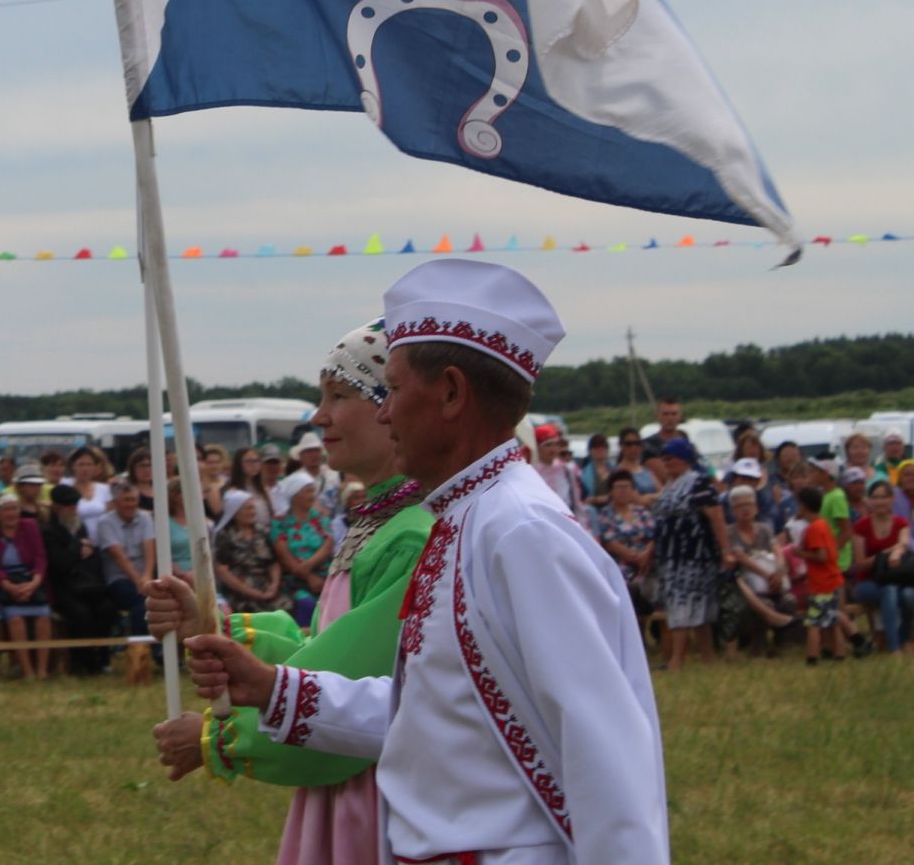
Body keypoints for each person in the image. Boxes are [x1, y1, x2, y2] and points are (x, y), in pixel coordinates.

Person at [179, 259, 667, 862]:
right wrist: (273, 688)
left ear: (453, 393)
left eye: (396, 390)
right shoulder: (469, 517)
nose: (384, 413)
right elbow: (434, 715)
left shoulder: (521, 532)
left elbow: (609, 754)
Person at [151, 318, 437, 865]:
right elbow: (323, 647)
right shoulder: (383, 521)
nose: (318, 416)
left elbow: (359, 687)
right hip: (353, 786)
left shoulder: (411, 535)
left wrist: (219, 737)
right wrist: (210, 630)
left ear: (389, 407)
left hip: (375, 794)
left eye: (339, 396)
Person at [649, 437, 733, 671]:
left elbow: (716, 516)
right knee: (692, 609)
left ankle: (677, 660)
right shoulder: (670, 484)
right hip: (670, 556)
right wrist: (650, 552)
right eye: (664, 458)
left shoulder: (698, 482)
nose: (667, 462)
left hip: (694, 556)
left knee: (688, 607)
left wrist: (726, 551)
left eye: (671, 458)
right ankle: (707, 659)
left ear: (685, 459)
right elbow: (662, 521)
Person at [42, 483, 115, 675]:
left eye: (75, 505)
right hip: (63, 587)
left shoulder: (78, 526)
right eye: (68, 506)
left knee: (106, 608)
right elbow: (59, 564)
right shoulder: (49, 531)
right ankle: (85, 662)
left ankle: (103, 656)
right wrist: (77, 547)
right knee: (81, 614)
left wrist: (78, 549)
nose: (73, 510)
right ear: (57, 507)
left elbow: (88, 553)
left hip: (86, 584)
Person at [716, 486, 796, 656]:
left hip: (771, 580)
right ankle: (757, 645)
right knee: (765, 603)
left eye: (749, 504)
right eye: (740, 506)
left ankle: (780, 644)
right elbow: (740, 557)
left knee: (788, 601)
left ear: (756, 508)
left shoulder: (764, 529)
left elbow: (777, 550)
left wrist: (779, 572)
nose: (745, 509)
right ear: (732, 510)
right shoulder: (729, 533)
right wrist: (767, 575)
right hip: (745, 584)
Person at [0, 496, 50, 681]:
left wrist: (34, 583)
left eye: (14, 509)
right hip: (6, 583)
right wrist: (10, 587)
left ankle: (42, 670)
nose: (11, 514)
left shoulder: (30, 526)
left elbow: (40, 558)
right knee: (16, 619)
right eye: (6, 510)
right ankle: (27, 671)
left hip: (31, 579)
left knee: (43, 617)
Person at [849, 478, 912, 655]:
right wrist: (885, 554)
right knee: (889, 591)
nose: (879, 501)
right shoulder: (861, 526)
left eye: (883, 497)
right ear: (868, 501)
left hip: (897, 578)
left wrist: (897, 550)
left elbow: (904, 543)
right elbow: (861, 563)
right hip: (868, 581)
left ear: (892, 499)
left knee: (909, 595)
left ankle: (904, 639)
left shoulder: (901, 523)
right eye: (875, 497)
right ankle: (894, 648)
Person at [88, 480, 153, 640]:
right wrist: (139, 582)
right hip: (119, 578)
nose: (131, 504)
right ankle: (141, 648)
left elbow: (150, 548)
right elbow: (118, 556)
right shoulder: (105, 522)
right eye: (126, 500)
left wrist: (147, 576)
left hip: (145, 575)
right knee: (142, 602)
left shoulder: (145, 517)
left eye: (133, 500)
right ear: (116, 502)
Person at [595, 471, 658, 638]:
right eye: (618, 487)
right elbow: (610, 542)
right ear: (611, 491)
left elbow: (653, 536)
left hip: (647, 564)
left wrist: (646, 555)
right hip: (620, 565)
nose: (623, 491)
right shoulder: (605, 514)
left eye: (627, 487)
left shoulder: (642, 512)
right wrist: (634, 557)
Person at [268, 472, 332, 630]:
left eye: (313, 491)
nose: (312, 495)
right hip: (295, 581)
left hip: (324, 576)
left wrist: (309, 565)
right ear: (295, 494)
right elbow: (284, 556)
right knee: (306, 604)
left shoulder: (319, 518)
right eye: (308, 491)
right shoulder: (280, 522)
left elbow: (328, 545)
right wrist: (309, 576)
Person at [795, 486, 849, 664]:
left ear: (804, 506)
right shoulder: (823, 524)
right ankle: (839, 655)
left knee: (813, 623)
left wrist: (801, 554)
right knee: (833, 621)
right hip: (833, 579)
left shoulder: (813, 529)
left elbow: (822, 556)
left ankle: (812, 658)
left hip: (822, 583)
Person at [213, 495, 283, 614]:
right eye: (247, 509)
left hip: (267, 587)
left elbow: (273, 563)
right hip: (240, 591)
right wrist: (250, 592)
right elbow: (222, 571)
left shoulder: (262, 531)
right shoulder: (225, 536)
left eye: (253, 508)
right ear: (235, 512)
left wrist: (274, 585)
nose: (252, 512)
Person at [289, 433, 342, 519]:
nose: (314, 455)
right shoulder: (294, 480)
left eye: (317, 450)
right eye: (309, 451)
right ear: (301, 455)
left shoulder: (334, 475)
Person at [62, 447, 115, 528]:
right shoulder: (65, 485)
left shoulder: (104, 489)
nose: (85, 469)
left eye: (89, 464)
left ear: (94, 467)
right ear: (73, 466)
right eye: (81, 464)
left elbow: (111, 517)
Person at [579, 433, 614, 507]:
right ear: (590, 451)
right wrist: (597, 499)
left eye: (603, 447)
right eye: (596, 447)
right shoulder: (583, 473)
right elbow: (582, 499)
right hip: (593, 512)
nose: (600, 450)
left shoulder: (616, 470)